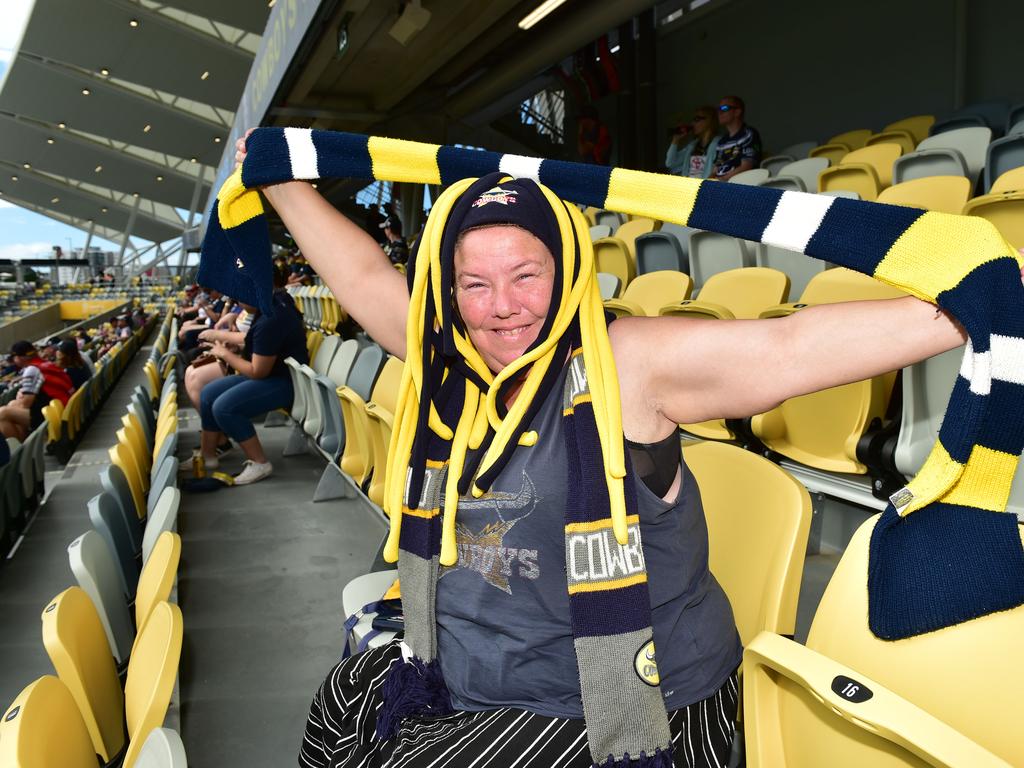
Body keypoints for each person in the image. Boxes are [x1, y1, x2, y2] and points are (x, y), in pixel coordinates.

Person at [228, 130, 980, 768]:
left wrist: (969, 307)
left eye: (526, 276)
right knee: (340, 706)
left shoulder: (625, 364)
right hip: (478, 672)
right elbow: (361, 274)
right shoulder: (448, 360)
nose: (502, 307)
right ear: (448, 294)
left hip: (625, 709)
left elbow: (786, 348)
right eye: (475, 284)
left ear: (566, 275)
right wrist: (276, 178)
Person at [196, 266, 308, 485]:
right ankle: (207, 456)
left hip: (284, 383)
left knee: (224, 408)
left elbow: (258, 371)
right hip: (272, 376)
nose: (237, 303)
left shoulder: (272, 318)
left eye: (239, 297)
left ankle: (259, 462)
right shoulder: (272, 303)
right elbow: (254, 346)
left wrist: (224, 353)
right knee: (209, 393)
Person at [0, 341, 73, 441]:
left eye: (14, 357)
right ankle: (24, 444)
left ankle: (20, 451)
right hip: (60, 408)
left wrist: (21, 396)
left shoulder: (31, 370)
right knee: (12, 404)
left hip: (53, 414)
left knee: (2, 413)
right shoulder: (45, 363)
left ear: (20, 357)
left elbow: (26, 404)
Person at [712, 95, 762, 181]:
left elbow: (746, 166)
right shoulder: (722, 141)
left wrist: (721, 180)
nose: (719, 112)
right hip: (720, 184)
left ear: (737, 112)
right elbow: (715, 169)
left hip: (740, 184)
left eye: (724, 108)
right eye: (718, 109)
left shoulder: (748, 133)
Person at [665, 105, 721, 178]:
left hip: (706, 187)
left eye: (697, 119)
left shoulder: (718, 143)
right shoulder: (692, 145)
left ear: (709, 120)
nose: (692, 123)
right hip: (689, 187)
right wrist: (675, 140)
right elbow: (670, 163)